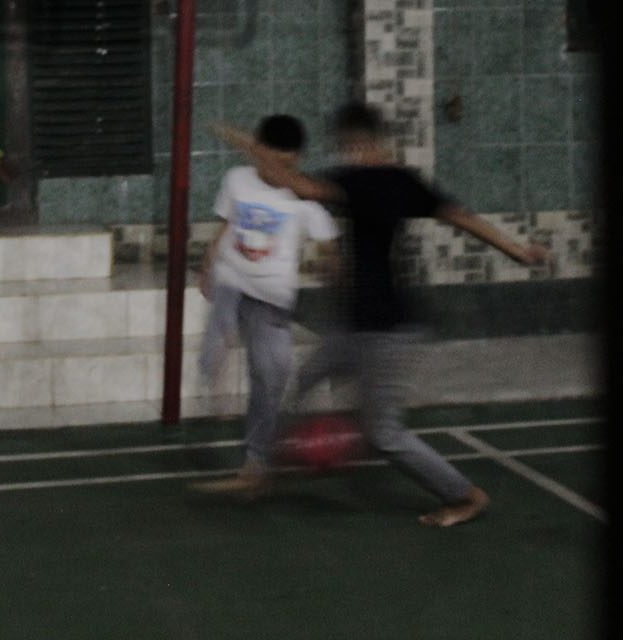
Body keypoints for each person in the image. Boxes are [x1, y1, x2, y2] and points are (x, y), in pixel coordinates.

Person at [217, 102, 551, 527]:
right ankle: (264, 470)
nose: (343, 152)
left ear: (356, 142)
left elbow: (297, 185)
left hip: (386, 330)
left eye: (344, 145)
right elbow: (462, 217)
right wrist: (516, 250)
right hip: (356, 324)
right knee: (307, 378)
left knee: (384, 434)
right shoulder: (403, 181)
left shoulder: (361, 180)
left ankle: (464, 495)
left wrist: (252, 147)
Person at [192, 114, 340, 499]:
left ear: (297, 159)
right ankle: (217, 362)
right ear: (257, 152)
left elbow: (329, 245)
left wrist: (332, 270)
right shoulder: (237, 179)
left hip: (272, 299)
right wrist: (208, 262)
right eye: (271, 159)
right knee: (215, 344)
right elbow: (227, 225)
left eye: (286, 163)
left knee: (271, 378)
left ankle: (255, 464)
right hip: (231, 281)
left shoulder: (304, 200)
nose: (277, 170)